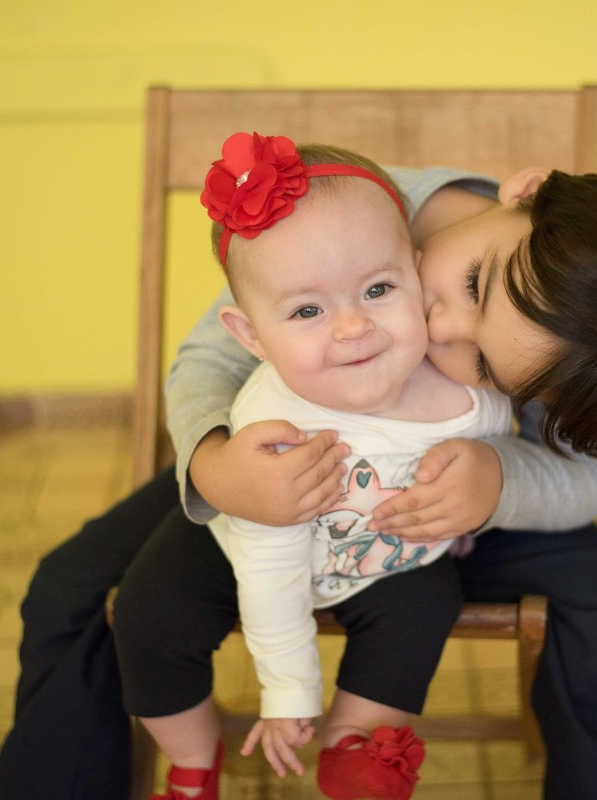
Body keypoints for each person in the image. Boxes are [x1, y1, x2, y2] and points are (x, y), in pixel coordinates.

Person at [0, 141, 597, 799]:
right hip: (279, 473)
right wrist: (220, 468)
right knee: (72, 587)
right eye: (476, 285)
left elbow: (587, 482)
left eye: (482, 363)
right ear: (526, 193)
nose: (441, 326)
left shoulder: (583, 352)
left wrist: (498, 481)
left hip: (443, 508)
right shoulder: (343, 207)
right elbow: (209, 361)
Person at [115, 132, 513, 800]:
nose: (352, 327)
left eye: (379, 289)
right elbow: (271, 578)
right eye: (306, 310)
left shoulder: (468, 395)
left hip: (389, 562)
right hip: (251, 540)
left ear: (417, 276)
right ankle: (190, 759)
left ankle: (355, 741)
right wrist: (288, 691)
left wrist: (479, 490)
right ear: (251, 337)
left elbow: (498, 448)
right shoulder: (273, 429)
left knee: (428, 602)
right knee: (148, 614)